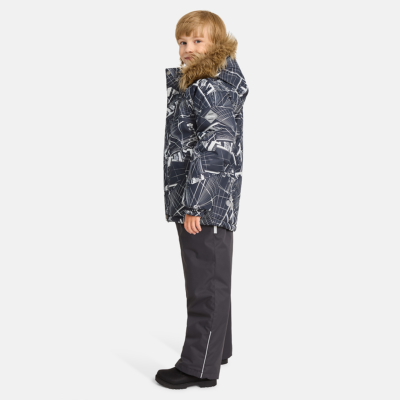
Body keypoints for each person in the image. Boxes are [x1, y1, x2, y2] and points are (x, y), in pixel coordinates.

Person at [156, 10, 249, 389]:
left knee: (204, 284)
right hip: (206, 198)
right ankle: (217, 349)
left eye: (198, 40)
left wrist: (195, 202)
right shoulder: (204, 83)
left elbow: (216, 145)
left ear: (217, 45)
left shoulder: (209, 85)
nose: (188, 48)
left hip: (204, 200)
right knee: (212, 277)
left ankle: (198, 367)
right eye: (183, 41)